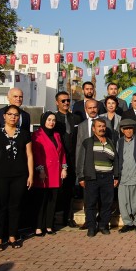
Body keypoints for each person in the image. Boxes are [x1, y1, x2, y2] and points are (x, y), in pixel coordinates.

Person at [0, 105, 34, 251]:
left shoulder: (24, 134)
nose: (13, 117)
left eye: (16, 115)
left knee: (15, 206)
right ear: (4, 116)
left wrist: (31, 174)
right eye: (10, 114)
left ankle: (13, 236)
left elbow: (29, 155)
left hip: (19, 175)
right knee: (0, 206)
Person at [76, 118, 119, 237]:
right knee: (90, 203)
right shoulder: (88, 142)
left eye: (103, 126)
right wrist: (81, 177)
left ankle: (103, 225)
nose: (102, 128)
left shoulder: (110, 141)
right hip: (92, 177)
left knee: (107, 203)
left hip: (107, 177)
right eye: (99, 126)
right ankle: (91, 226)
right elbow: (81, 161)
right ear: (93, 128)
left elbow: (116, 160)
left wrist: (116, 176)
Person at [32, 112, 67, 237]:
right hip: (43, 172)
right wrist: (40, 170)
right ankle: (38, 227)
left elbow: (62, 153)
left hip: (55, 172)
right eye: (49, 120)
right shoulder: (37, 135)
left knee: (53, 200)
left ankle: (49, 225)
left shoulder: (57, 135)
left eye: (53, 120)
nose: (51, 122)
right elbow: (36, 154)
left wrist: (64, 168)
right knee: (42, 201)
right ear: (43, 121)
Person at [53, 91, 81, 228]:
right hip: (57, 159)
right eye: (63, 101)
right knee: (56, 189)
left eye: (68, 100)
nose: (66, 103)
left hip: (72, 158)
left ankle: (68, 217)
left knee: (69, 189)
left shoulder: (76, 118)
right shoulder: (53, 119)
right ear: (57, 102)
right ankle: (52, 217)